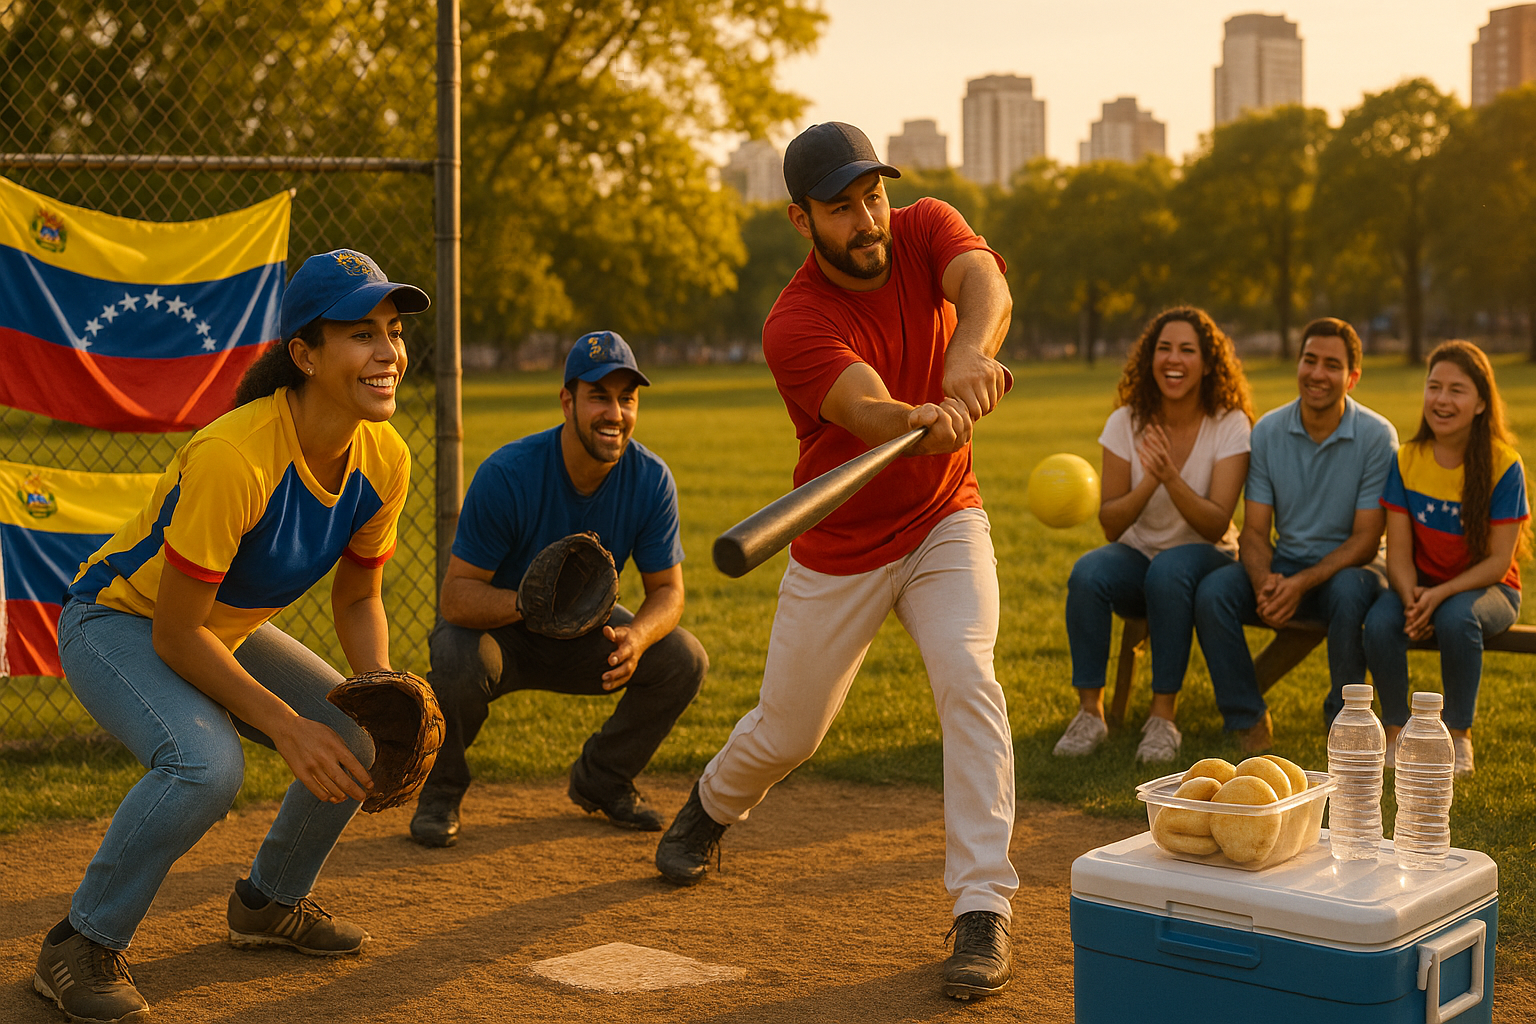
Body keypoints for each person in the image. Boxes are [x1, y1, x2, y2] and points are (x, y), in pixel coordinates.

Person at [652, 121, 1018, 1002]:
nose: (866, 219)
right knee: (791, 730)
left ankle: (982, 909)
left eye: (873, 196)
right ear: (800, 220)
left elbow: (986, 285)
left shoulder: (927, 226)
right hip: (841, 546)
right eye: (841, 207)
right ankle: (710, 806)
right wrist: (920, 416)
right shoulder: (796, 321)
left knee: (968, 676)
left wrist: (968, 354)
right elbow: (872, 414)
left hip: (943, 522)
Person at [35, 249, 429, 1024]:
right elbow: (178, 636)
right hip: (117, 622)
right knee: (205, 766)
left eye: (392, 330)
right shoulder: (236, 456)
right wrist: (285, 726)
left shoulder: (385, 457)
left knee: (357, 729)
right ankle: (77, 944)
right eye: (360, 333)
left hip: (221, 628)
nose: (387, 351)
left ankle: (269, 901)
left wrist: (380, 685)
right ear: (305, 355)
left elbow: (360, 598)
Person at [408, 331, 707, 848]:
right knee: (458, 662)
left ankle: (603, 778)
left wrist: (636, 635)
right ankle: (441, 793)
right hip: (502, 633)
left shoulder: (651, 479)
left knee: (682, 658)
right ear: (567, 401)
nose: (614, 412)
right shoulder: (508, 474)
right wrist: (526, 605)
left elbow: (669, 592)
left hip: (587, 637)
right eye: (599, 396)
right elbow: (455, 597)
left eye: (626, 399)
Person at [1053, 307, 1254, 764]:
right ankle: (1090, 713)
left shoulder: (1230, 424)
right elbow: (1111, 523)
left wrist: (1171, 477)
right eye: (1163, 348)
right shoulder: (1125, 422)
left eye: (1187, 349)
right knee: (1088, 573)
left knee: (1168, 569)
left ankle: (1163, 718)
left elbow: (1216, 523)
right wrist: (1152, 479)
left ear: (1207, 362)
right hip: (1138, 553)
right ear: (1150, 359)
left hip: (1208, 555)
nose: (1173, 359)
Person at [1194, 318, 1398, 750]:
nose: (1317, 373)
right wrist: (1264, 581)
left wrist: (1300, 583)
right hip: (1286, 561)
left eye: (1332, 364)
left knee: (1348, 591)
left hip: (1353, 566)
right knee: (1214, 592)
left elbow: (1366, 539)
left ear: (1352, 378)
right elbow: (1253, 531)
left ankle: (1344, 723)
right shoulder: (1268, 430)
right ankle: (1245, 716)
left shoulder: (1377, 436)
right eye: (1310, 360)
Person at [1364, 340, 1528, 778]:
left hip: (1488, 589)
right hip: (1419, 584)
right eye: (1434, 386)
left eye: (1456, 390)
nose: (1441, 399)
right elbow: (1397, 553)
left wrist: (1438, 596)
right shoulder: (1407, 460)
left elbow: (1498, 562)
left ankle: (1459, 735)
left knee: (1456, 618)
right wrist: (1412, 594)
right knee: (1380, 622)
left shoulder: (1504, 465)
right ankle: (1396, 732)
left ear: (1479, 403)